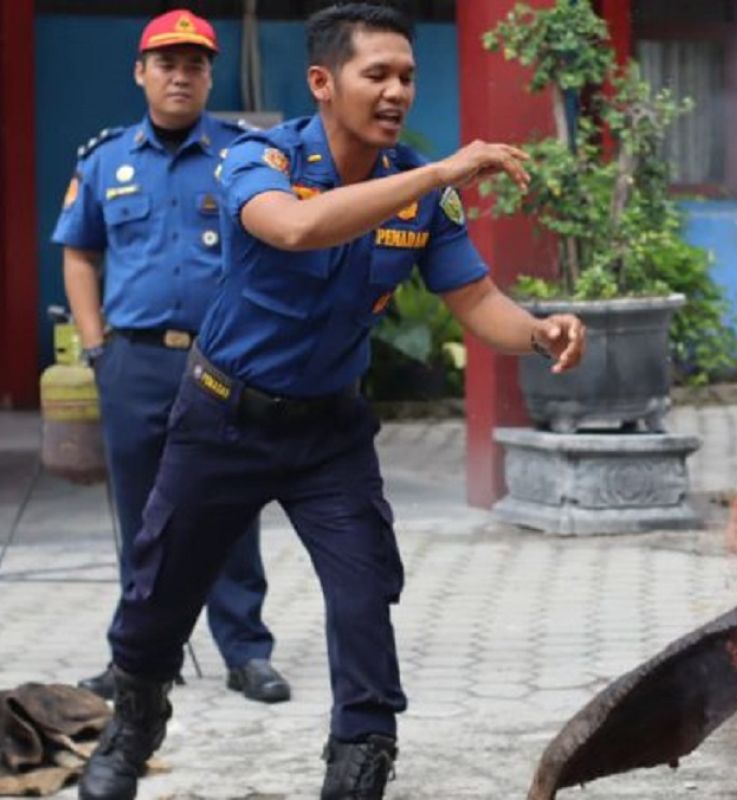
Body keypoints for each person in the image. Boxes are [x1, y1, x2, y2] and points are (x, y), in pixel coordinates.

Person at [76, 4, 586, 799]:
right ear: (323, 81)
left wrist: (538, 332)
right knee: (156, 593)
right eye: (376, 74)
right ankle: (133, 726)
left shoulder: (421, 194)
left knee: (364, 593)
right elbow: (295, 228)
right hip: (222, 418)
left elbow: (478, 301)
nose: (397, 92)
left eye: (407, 76)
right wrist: (438, 174)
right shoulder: (259, 159)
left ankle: (360, 763)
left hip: (329, 433)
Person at [51, 9, 291, 707]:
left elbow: (279, 249)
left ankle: (246, 651)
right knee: (142, 513)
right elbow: (79, 255)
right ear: (141, 73)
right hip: (134, 362)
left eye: (194, 65)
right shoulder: (105, 161)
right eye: (167, 64)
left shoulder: (245, 156)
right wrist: (97, 348)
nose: (180, 77)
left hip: (224, 362)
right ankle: (140, 659)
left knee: (231, 504)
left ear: (210, 76)